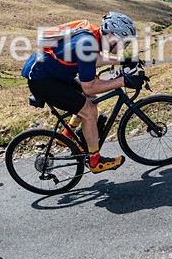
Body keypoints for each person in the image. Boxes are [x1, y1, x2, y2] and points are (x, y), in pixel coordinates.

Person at [21, 12, 144, 173]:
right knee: (89, 111)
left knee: (90, 99)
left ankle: (67, 136)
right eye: (123, 43)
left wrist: (124, 61)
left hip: (52, 73)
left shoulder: (93, 35)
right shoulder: (87, 44)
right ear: (112, 37)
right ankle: (95, 161)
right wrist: (123, 81)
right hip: (43, 80)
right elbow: (89, 86)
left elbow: (97, 59)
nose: (123, 47)